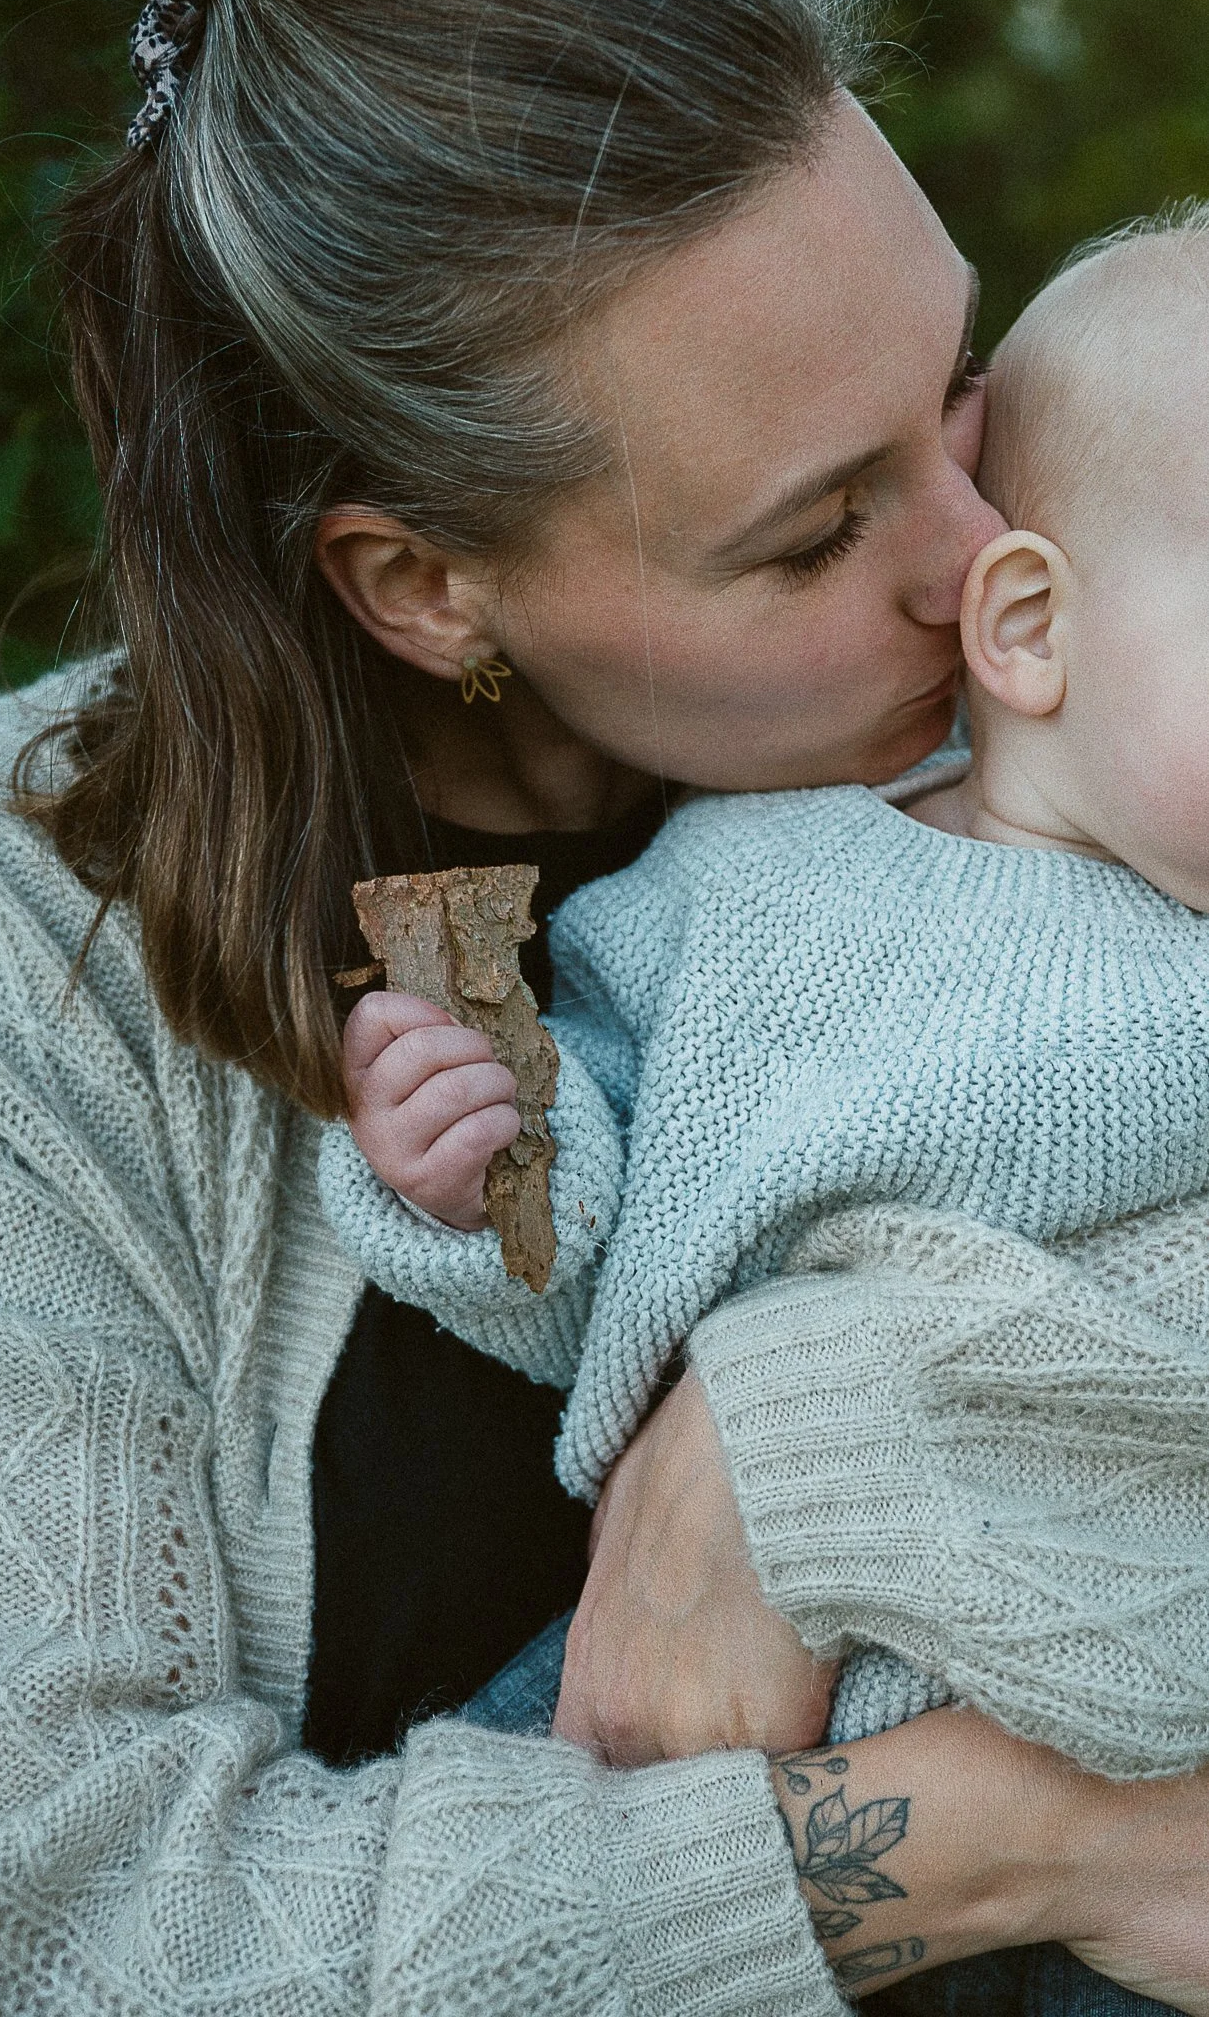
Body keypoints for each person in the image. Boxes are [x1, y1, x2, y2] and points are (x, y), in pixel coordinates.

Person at [0, 0, 1207, 2013]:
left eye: (955, 389)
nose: (987, 551)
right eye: (819, 526)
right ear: (428, 589)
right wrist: (1009, 1842)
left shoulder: (1079, 717)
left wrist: (813, 1426)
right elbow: (19, 1919)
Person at [324, 211, 1209, 1771]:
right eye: (815, 526)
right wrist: (478, 1154)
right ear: (1027, 624)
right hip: (686, 1714)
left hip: (1113, 1732)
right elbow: (594, 1232)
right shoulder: (739, 879)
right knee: (476, 1830)